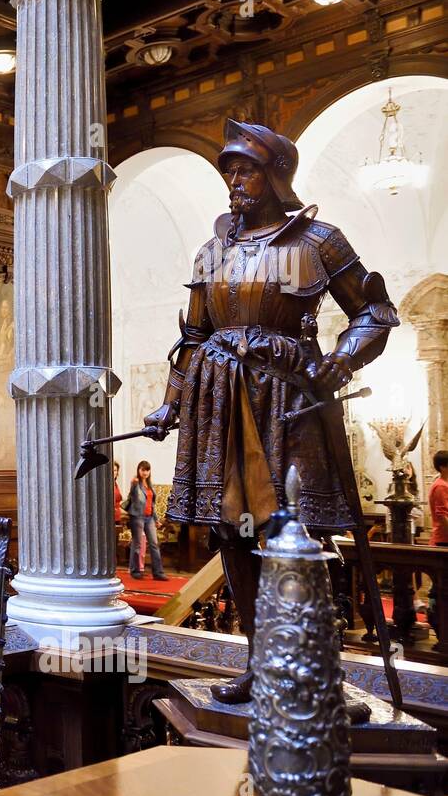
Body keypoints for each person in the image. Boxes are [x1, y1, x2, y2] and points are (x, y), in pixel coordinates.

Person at [143, 119, 398, 704]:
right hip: (218, 400)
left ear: (276, 174)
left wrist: (342, 360)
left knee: (296, 531)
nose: (233, 179)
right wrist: (170, 403)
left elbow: (375, 311)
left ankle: (313, 672)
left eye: (245, 168)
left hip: (288, 397)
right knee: (232, 534)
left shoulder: (318, 240)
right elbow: (192, 335)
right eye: (228, 169)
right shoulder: (213, 249)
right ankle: (262, 664)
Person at [125, 461, 167, 581]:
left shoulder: (149, 485)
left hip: (149, 518)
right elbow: (132, 496)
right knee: (137, 544)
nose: (145, 472)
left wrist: (156, 520)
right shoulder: (136, 483)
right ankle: (135, 571)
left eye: (147, 470)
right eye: (143, 470)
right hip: (137, 517)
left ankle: (158, 573)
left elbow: (151, 504)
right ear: (139, 470)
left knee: (154, 544)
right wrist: (132, 485)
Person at [429, 450, 448, 627]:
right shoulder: (441, 485)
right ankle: (439, 624)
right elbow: (442, 515)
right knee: (441, 587)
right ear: (443, 466)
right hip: (444, 539)